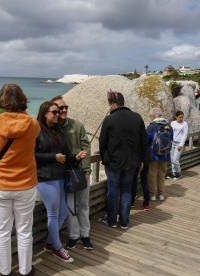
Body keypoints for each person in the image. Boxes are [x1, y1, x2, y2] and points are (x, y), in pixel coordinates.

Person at [0, 83, 39, 276]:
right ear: (23, 103)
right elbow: (32, 134)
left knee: (2, 231)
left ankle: (4, 272)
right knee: (25, 230)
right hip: (26, 185)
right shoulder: (32, 124)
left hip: (0, 185)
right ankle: (25, 270)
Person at [35, 101, 87, 263]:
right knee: (53, 214)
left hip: (61, 177)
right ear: (45, 113)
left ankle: (50, 243)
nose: (58, 115)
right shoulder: (36, 131)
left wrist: (76, 157)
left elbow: (66, 155)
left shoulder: (58, 131)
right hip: (45, 179)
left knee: (64, 212)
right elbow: (31, 155)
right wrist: (53, 157)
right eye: (54, 112)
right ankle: (57, 247)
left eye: (59, 112)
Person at [51, 95, 93, 251]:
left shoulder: (77, 125)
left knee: (83, 205)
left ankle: (86, 235)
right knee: (70, 206)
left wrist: (87, 170)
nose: (63, 110)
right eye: (59, 108)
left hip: (80, 172)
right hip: (64, 175)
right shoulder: (51, 128)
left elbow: (86, 148)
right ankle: (74, 236)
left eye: (65, 107)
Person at [99, 91, 145, 230]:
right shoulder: (137, 118)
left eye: (109, 104)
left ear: (113, 104)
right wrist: (141, 161)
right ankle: (124, 221)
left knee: (113, 191)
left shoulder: (109, 119)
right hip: (131, 163)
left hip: (113, 163)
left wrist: (104, 159)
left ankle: (112, 221)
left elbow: (102, 142)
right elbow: (143, 142)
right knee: (126, 191)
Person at [147, 107, 173, 201]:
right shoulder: (168, 126)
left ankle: (153, 195)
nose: (151, 118)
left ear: (154, 115)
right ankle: (161, 194)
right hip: (165, 155)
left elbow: (147, 140)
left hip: (154, 155)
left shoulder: (151, 126)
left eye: (151, 116)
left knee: (152, 175)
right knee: (162, 175)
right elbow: (171, 139)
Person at [167, 111, 188, 179]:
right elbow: (170, 132)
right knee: (171, 158)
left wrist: (181, 145)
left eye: (182, 117)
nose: (181, 118)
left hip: (179, 144)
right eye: (180, 117)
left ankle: (178, 172)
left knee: (175, 160)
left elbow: (185, 135)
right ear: (176, 117)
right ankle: (173, 173)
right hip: (172, 143)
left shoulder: (184, 124)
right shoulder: (172, 123)